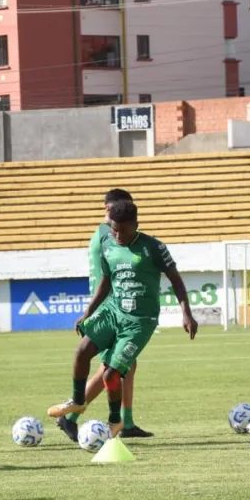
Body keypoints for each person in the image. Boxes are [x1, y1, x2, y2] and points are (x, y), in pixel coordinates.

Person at [47, 201, 197, 434]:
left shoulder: (154, 247)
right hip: (113, 312)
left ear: (136, 225)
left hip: (139, 321)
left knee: (111, 374)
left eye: (123, 230)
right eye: (114, 229)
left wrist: (186, 313)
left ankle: (116, 421)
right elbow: (106, 282)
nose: (117, 235)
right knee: (81, 351)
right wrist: (88, 313)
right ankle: (77, 401)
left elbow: (176, 280)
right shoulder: (107, 243)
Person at [56, 189, 152, 443]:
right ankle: (72, 417)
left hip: (115, 305)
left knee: (127, 367)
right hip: (113, 307)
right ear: (110, 209)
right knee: (110, 369)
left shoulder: (104, 232)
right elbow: (109, 277)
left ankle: (127, 421)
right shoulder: (108, 233)